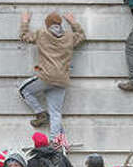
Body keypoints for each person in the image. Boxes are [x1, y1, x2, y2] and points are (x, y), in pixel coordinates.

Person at [19, 11, 86, 142]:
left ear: (47, 24)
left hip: (46, 76)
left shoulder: (41, 34)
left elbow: (24, 36)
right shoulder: (69, 37)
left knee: (24, 90)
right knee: (55, 113)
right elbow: (82, 36)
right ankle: (55, 143)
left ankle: (40, 113)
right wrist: (73, 23)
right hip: (62, 80)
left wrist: (25, 21)